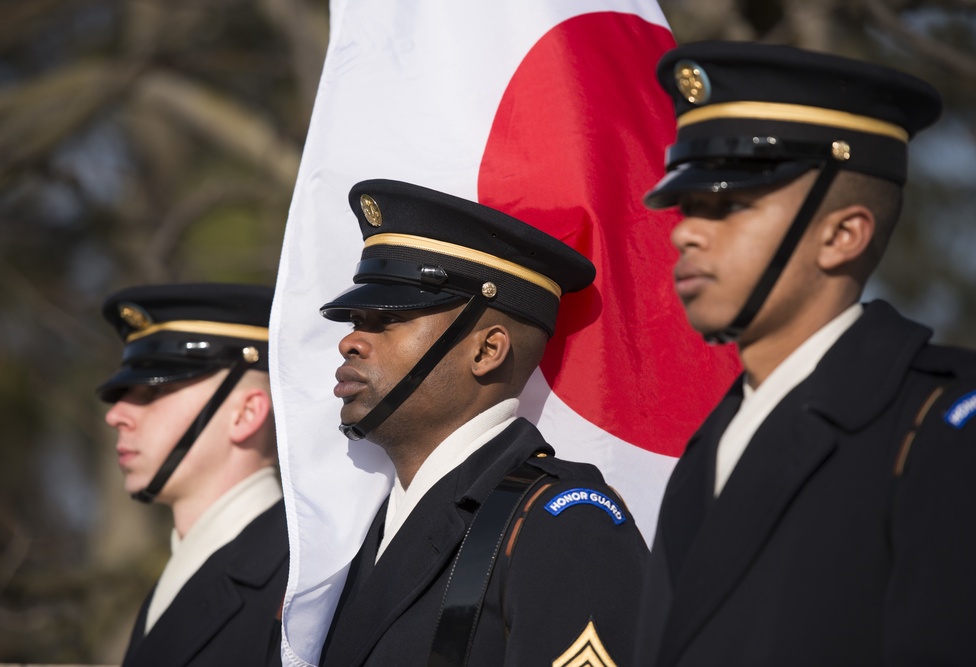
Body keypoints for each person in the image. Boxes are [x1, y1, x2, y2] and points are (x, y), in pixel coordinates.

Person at [635, 40, 976, 666]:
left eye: (729, 205)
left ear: (843, 235)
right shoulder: (713, 442)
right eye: (689, 207)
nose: (685, 229)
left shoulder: (942, 429)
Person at [316, 179, 648, 666]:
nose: (352, 342)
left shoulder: (564, 525)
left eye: (388, 319)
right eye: (356, 321)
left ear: (487, 350)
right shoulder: (352, 535)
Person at [98, 283, 287, 667]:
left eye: (152, 392)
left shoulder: (298, 583)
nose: (116, 415)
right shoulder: (180, 578)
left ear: (246, 414)